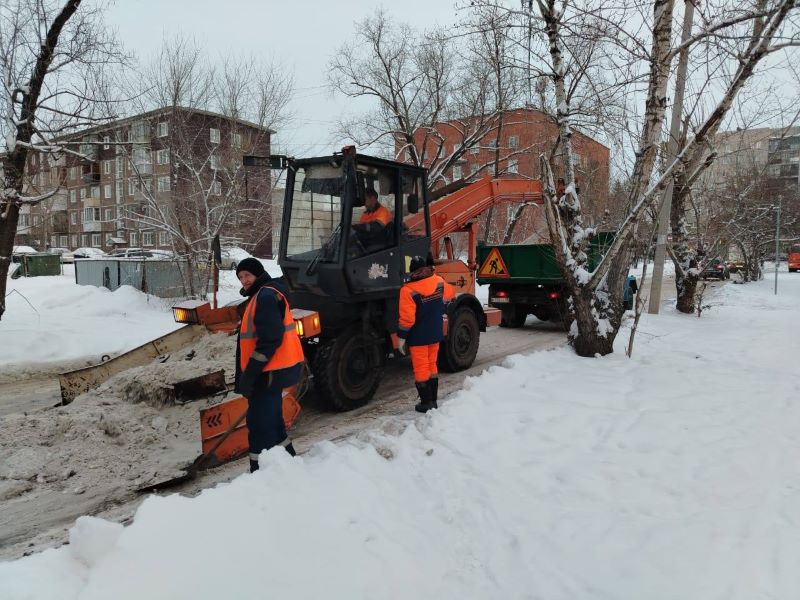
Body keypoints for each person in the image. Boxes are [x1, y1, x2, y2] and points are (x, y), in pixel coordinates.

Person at [235, 257, 304, 472]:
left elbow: (270, 340)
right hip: (276, 371)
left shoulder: (264, 296)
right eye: (240, 277)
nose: (244, 280)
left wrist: (250, 375)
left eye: (247, 275)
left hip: (267, 373)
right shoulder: (264, 293)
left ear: (258, 274)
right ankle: (290, 460)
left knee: (258, 423)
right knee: (273, 421)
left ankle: (258, 473)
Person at [397, 255, 455, 413]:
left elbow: (407, 319)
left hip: (418, 337)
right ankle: (433, 400)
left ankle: (426, 402)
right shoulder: (438, 281)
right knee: (432, 364)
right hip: (435, 333)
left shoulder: (407, 290)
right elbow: (451, 294)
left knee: (421, 368)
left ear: (412, 271)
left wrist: (401, 337)